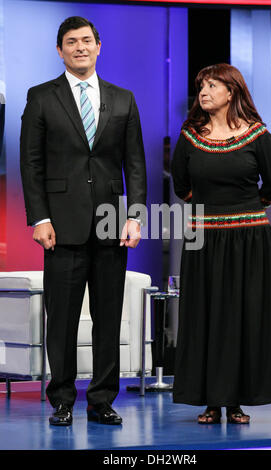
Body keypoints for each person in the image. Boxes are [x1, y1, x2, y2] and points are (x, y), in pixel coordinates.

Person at [20, 16, 146, 426]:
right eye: (71, 42)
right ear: (60, 50)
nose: (80, 47)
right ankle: (61, 400)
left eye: (87, 41)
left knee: (107, 318)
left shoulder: (123, 99)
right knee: (63, 320)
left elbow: (136, 165)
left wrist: (136, 217)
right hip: (60, 226)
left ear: (98, 46)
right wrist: (39, 218)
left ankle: (101, 401)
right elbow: (31, 164)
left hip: (111, 226)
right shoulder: (41, 97)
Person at [171, 63, 271, 424]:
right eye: (201, 86)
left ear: (231, 91)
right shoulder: (191, 136)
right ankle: (210, 400)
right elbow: (182, 185)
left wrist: (245, 212)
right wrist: (213, 214)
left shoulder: (257, 136)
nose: (203, 91)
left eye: (211, 85)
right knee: (206, 317)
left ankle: (236, 400)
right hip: (204, 240)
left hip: (249, 241)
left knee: (243, 316)